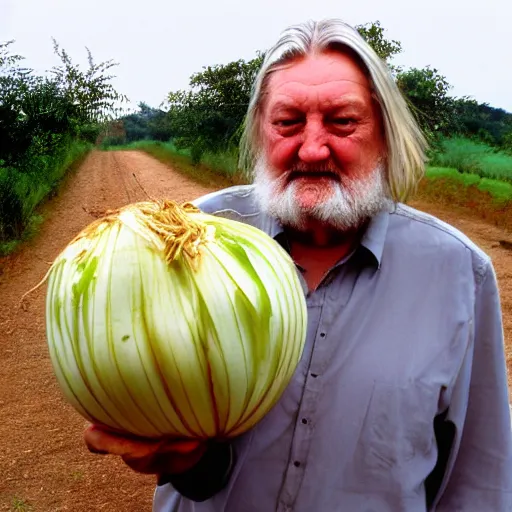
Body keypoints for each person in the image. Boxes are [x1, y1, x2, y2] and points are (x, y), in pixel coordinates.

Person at [84, 18, 512, 511]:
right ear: (261, 132)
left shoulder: (458, 273)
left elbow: (476, 483)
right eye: (288, 122)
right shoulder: (191, 236)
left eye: (342, 121)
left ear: (385, 133)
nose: (311, 148)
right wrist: (173, 450)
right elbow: (195, 457)